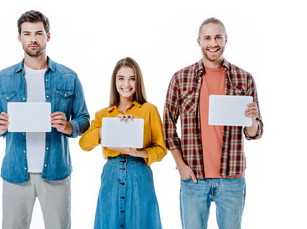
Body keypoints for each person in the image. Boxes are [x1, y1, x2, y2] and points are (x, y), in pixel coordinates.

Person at [0, 10, 90, 229]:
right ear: (19, 37)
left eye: (38, 33)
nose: (33, 39)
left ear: (48, 36)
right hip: (15, 174)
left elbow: (84, 119)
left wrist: (69, 125)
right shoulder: (2, 78)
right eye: (27, 33)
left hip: (55, 172)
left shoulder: (69, 77)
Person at [163, 17, 263, 229]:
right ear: (198, 41)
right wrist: (181, 166)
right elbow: (168, 126)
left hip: (232, 179)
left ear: (226, 39)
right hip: (194, 177)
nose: (213, 43)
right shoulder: (180, 79)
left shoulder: (244, 79)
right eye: (207, 38)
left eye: (218, 37)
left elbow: (253, 133)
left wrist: (252, 119)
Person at [79, 57, 167, 229]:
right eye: (121, 78)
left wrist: (139, 153)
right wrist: (105, 130)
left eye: (132, 78)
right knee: (109, 220)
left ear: (138, 82)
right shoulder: (104, 114)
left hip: (140, 172)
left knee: (141, 221)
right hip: (111, 173)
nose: (126, 84)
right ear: (114, 82)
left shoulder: (149, 110)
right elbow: (83, 144)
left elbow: (161, 149)